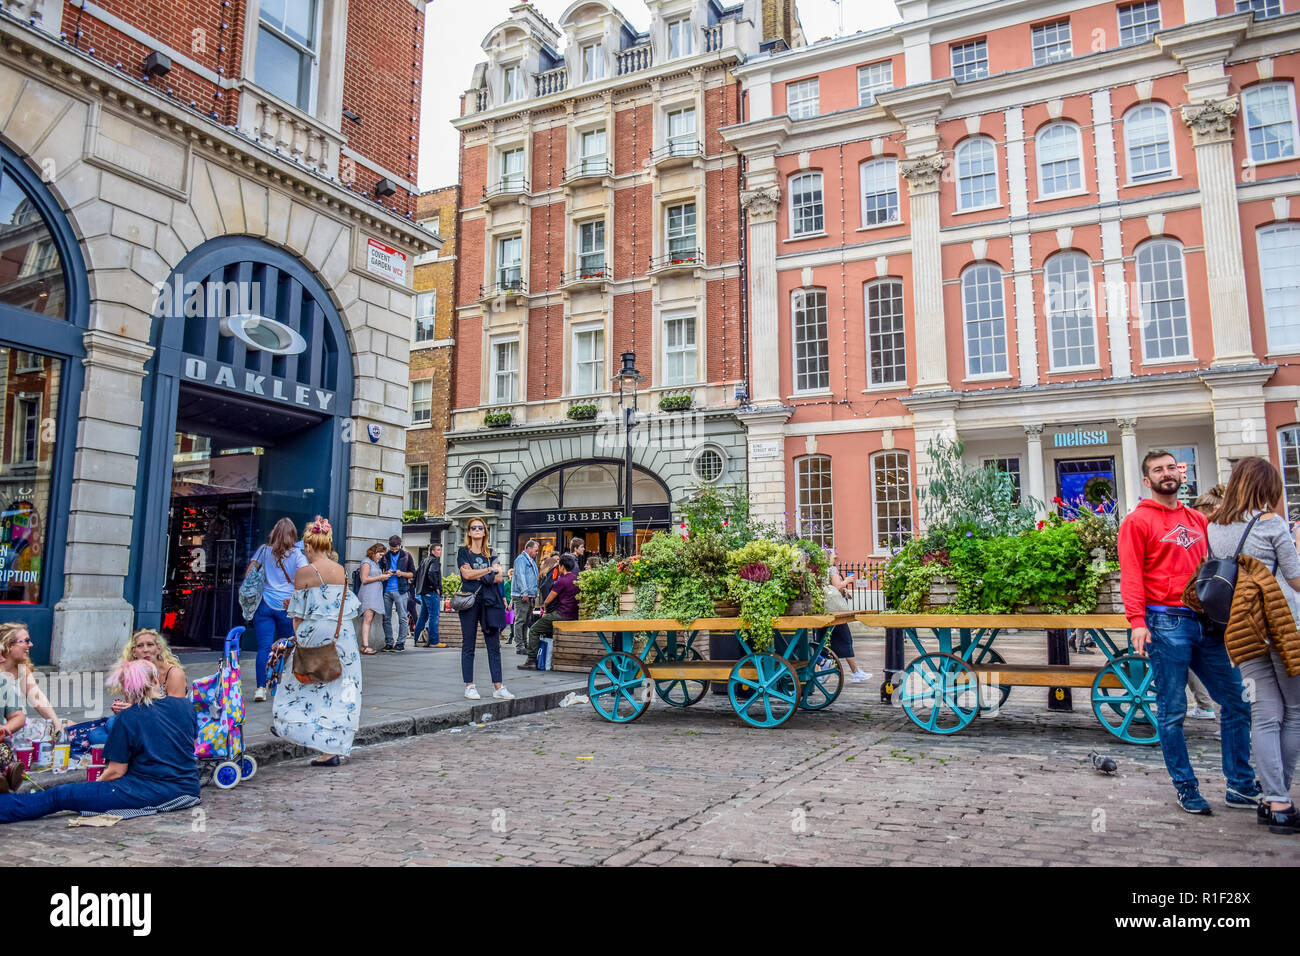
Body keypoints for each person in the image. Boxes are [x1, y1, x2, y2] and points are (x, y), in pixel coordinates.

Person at [1118, 449, 1256, 815]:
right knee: (1172, 711)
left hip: (1205, 622)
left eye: (1171, 467)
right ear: (1147, 481)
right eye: (1157, 470)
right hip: (1165, 623)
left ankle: (1240, 785)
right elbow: (1131, 574)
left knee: (1237, 701)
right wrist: (1136, 621)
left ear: (1180, 474)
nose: (1167, 474)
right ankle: (1186, 786)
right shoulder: (1137, 522)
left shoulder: (1197, 519)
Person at [1202, 458, 1300, 834]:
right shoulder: (1271, 524)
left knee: (1263, 714)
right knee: (1294, 711)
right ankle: (1278, 798)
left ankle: (1272, 798)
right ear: (1266, 487)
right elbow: (1294, 579)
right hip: (1281, 625)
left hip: (1243, 629)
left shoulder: (1215, 527)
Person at [0, 659, 201, 823]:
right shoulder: (185, 706)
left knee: (60, 795)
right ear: (156, 682)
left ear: (126, 690)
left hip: (147, 790)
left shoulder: (129, 717)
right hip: (189, 787)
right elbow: (190, 748)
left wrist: (95, 787)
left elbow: (115, 771)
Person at [273, 517, 363, 766]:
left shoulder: (304, 573)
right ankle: (333, 748)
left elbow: (298, 617)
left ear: (309, 546)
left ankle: (298, 730)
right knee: (339, 690)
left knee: (302, 684)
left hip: (314, 634)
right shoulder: (341, 570)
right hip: (342, 636)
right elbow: (348, 606)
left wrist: (297, 633)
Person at [244, 518, 308, 701]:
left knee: (264, 647)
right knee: (287, 647)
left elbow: (249, 574)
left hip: (264, 604)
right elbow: (304, 578)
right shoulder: (297, 554)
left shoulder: (264, 551)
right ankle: (282, 684)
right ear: (292, 534)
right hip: (287, 606)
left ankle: (260, 689)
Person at [456, 519, 517, 701]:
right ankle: (469, 686)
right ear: (468, 532)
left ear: (485, 532)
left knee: (494, 645)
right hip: (470, 600)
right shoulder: (463, 552)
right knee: (469, 644)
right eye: (473, 527)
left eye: (480, 528)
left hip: (490, 602)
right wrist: (488, 570)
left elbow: (499, 577)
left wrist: (478, 572)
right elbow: (465, 575)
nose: (476, 530)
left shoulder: (491, 553)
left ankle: (498, 686)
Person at [1185, 484, 1230, 720]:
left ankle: (1218, 709)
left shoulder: (1215, 531)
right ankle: (1207, 705)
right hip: (1213, 605)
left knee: (1223, 667)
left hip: (1212, 606)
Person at [0, 623, 62, 739]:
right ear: (9, 645)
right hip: (9, 731)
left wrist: (57, 724)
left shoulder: (22, 669)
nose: (31, 644)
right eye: (26, 641)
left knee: (68, 726)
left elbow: (37, 698)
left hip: (19, 725)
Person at [521, 553, 580, 670]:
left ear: (562, 566)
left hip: (561, 614)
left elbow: (548, 600)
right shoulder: (577, 579)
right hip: (574, 614)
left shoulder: (561, 581)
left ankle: (532, 660)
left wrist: (545, 611)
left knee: (534, 630)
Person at [825, 564, 871, 683]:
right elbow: (836, 586)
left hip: (825, 610)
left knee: (823, 642)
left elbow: (829, 588)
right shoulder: (832, 569)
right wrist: (846, 581)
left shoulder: (818, 570)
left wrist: (844, 591)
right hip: (836, 612)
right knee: (845, 640)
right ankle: (856, 672)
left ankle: (821, 669)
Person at [380, 535, 415, 652]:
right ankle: (389, 642)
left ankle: (400, 643)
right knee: (386, 618)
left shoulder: (407, 556)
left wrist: (402, 574)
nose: (394, 550)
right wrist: (386, 572)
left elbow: (412, 574)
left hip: (401, 590)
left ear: (400, 545)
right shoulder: (385, 557)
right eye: (392, 548)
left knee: (403, 617)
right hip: (386, 590)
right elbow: (380, 573)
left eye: (396, 548)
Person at [356, 543, 388, 655]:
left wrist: (384, 575)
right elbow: (364, 579)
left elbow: (373, 577)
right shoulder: (366, 562)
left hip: (375, 595)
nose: (381, 557)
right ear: (373, 552)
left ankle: (365, 645)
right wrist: (380, 577)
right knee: (367, 620)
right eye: (380, 554)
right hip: (368, 594)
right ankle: (365, 646)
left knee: (369, 620)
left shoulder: (375, 563)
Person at [414, 543, 447, 648]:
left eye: (440, 550)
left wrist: (418, 587)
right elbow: (432, 573)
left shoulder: (424, 560)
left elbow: (417, 574)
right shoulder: (434, 561)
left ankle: (417, 640)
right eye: (437, 550)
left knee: (423, 617)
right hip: (431, 592)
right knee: (434, 616)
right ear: (432, 551)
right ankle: (434, 641)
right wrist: (436, 587)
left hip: (423, 592)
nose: (440, 552)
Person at [511, 539, 540, 655]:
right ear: (529, 548)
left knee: (526, 620)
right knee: (520, 620)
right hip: (522, 595)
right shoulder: (521, 559)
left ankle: (524, 643)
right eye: (536, 550)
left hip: (528, 595)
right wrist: (524, 592)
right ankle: (519, 645)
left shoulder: (530, 560)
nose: (537, 552)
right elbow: (520, 576)